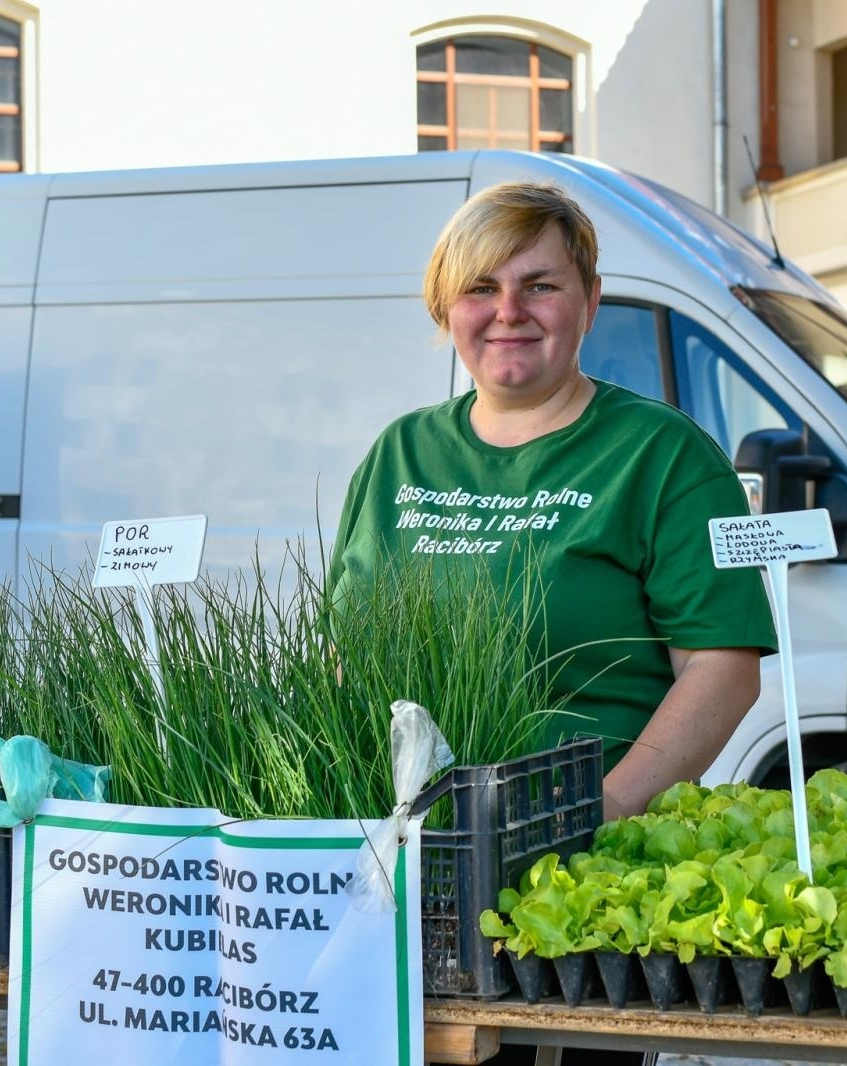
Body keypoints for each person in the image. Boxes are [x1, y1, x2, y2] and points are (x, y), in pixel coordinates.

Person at [327, 181, 777, 822]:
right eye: (481, 288)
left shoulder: (664, 454)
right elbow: (341, 658)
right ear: (446, 308)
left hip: (578, 850)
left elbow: (721, 667)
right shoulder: (398, 452)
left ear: (590, 302)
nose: (508, 310)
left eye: (539, 285)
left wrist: (604, 810)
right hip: (394, 842)